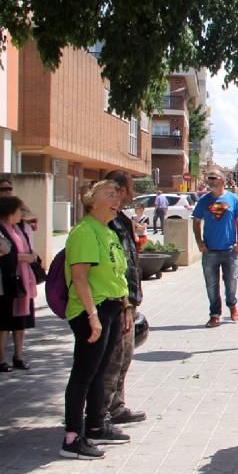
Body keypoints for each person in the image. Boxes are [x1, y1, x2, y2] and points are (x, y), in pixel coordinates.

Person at [60, 180, 132, 459]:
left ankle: (96, 425)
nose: (117, 199)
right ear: (92, 201)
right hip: (92, 310)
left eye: (117, 194)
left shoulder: (109, 231)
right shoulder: (84, 232)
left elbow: (117, 274)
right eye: (109, 194)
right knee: (83, 373)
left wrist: (125, 306)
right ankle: (72, 437)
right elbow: (79, 277)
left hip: (112, 308)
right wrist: (92, 316)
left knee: (100, 372)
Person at [102, 170, 146, 425]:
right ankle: (103, 410)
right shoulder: (106, 222)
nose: (133, 194)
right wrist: (125, 301)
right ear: (118, 190)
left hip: (128, 297)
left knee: (124, 355)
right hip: (117, 300)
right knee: (113, 357)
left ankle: (116, 405)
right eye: (130, 188)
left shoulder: (122, 219)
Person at [192, 166, 238, 327]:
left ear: (222, 180)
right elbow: (196, 221)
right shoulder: (204, 200)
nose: (210, 181)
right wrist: (200, 243)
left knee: (231, 282)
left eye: (213, 178)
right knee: (211, 285)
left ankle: (232, 305)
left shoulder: (233, 199)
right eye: (209, 178)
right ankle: (215, 314)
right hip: (210, 251)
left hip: (230, 250)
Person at [0, 195, 40, 372]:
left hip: (24, 280)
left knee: (20, 323)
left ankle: (19, 356)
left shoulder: (19, 229)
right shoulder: (2, 229)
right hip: (8, 280)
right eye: (18, 211)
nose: (21, 214)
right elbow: (5, 255)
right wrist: (22, 257)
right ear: (10, 213)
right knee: (4, 323)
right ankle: (1, 358)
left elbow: (31, 216)